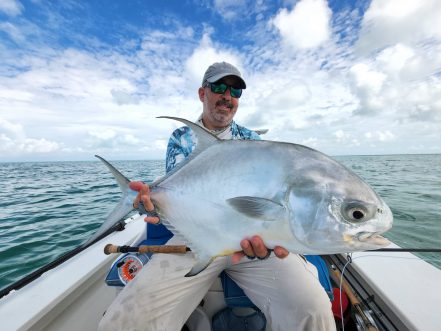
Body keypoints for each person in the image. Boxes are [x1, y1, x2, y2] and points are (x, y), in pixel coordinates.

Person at [98, 62, 336, 330]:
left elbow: (266, 202)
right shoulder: (182, 137)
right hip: (195, 237)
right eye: (220, 87)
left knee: (312, 308)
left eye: (235, 91)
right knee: (124, 321)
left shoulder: (250, 139)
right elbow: (173, 199)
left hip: (251, 243)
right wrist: (148, 206)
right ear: (203, 93)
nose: (227, 96)